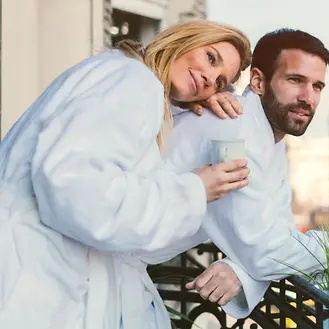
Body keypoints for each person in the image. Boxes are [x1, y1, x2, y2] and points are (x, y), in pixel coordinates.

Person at [0, 20, 252, 329]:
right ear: (185, 39)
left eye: (218, 81)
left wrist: (188, 105)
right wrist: (194, 191)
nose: (209, 77)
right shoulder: (135, 82)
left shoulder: (120, 73)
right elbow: (77, 188)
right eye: (211, 58)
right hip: (43, 289)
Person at [163, 28, 329, 318]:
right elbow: (266, 251)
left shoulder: (268, 136)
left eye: (317, 86)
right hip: (115, 259)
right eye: (295, 80)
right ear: (258, 81)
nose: (308, 98)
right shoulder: (235, 133)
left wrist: (240, 269)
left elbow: (279, 234)